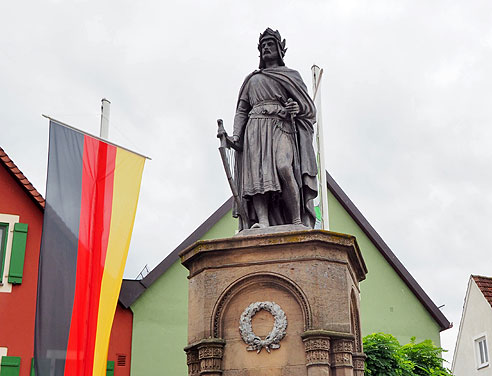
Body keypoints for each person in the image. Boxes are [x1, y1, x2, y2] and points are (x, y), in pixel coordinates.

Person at [231, 28, 318, 231]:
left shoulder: (291, 76)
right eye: (263, 46)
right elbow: (242, 110)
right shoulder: (252, 80)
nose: (266, 48)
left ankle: (296, 219)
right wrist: (236, 135)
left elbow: (308, 108)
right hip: (255, 129)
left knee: (284, 167)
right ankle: (263, 220)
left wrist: (297, 108)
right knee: (258, 175)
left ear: (280, 49)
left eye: (270, 45)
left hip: (281, 126)